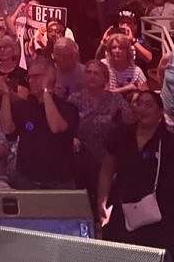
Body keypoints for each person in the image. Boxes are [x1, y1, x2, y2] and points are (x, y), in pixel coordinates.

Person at [99, 91, 174, 255]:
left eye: (148, 105)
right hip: (122, 207)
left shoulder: (168, 142)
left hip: (158, 214)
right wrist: (102, 200)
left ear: (160, 112)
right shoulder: (121, 135)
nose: (143, 109)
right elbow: (107, 169)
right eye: (139, 104)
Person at [0, 56, 79, 189]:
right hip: (27, 181)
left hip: (59, 183)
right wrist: (5, 94)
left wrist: (46, 91)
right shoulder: (24, 106)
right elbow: (7, 129)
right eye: (29, 77)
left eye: (36, 76)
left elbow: (56, 127)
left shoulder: (67, 108)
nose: (31, 81)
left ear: (51, 77)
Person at [70, 60, 133, 205]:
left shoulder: (115, 99)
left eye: (96, 73)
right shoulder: (74, 99)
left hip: (108, 159)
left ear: (105, 79)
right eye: (88, 72)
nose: (91, 76)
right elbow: (67, 126)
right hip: (81, 158)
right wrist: (71, 138)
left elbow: (130, 122)